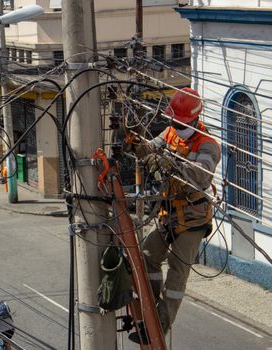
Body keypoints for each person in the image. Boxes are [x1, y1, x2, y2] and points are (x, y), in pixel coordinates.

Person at [128, 87, 220, 344]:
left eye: (179, 120)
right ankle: (151, 308)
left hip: (192, 218)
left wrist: (170, 162)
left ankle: (160, 325)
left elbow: (200, 177)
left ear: (193, 119)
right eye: (173, 120)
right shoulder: (170, 133)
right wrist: (137, 144)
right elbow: (150, 149)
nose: (174, 124)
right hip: (169, 213)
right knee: (147, 255)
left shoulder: (208, 146)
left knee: (177, 275)